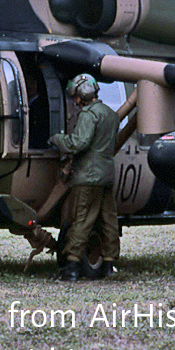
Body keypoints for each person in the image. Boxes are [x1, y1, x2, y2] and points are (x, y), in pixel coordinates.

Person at [48, 74, 120, 282]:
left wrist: (58, 139)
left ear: (82, 94)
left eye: (76, 97)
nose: (75, 102)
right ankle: (108, 264)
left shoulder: (89, 115)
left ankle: (71, 267)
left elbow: (78, 143)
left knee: (81, 219)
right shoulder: (110, 114)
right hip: (106, 174)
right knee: (108, 220)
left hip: (87, 176)